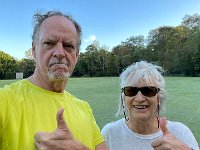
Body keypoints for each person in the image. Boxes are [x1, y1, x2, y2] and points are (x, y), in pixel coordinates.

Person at [0, 11, 107, 150]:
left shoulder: (84, 108)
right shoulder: (5, 100)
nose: (60, 53)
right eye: (49, 43)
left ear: (77, 55)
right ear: (34, 50)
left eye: (68, 45)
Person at [101, 61, 199, 150]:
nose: (139, 98)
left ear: (159, 98)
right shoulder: (109, 133)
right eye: (131, 91)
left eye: (148, 91)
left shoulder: (180, 132)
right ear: (124, 98)